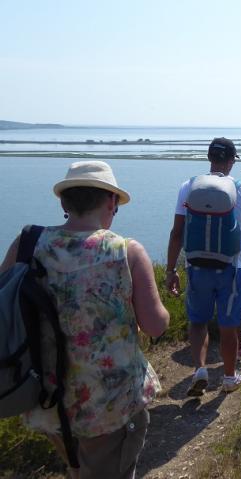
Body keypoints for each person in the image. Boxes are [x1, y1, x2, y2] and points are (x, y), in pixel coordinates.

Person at [0, 161, 169, 479]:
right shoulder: (125, 252)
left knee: (77, 470)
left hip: (48, 399)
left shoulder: (28, 243)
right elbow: (156, 325)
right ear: (111, 202)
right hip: (110, 405)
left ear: (64, 203)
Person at [165, 138, 241, 396]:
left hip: (196, 265)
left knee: (198, 322)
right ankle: (230, 378)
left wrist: (171, 269)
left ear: (209, 158)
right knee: (229, 325)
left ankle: (200, 370)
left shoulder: (189, 187)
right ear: (231, 161)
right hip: (233, 267)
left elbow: (177, 233)